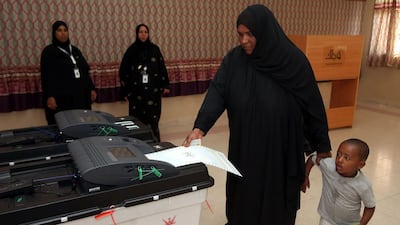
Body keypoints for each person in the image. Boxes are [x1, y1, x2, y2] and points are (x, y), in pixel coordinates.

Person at [182, 4, 331, 225]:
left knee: (275, 199)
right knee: (244, 194)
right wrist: (199, 127)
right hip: (245, 146)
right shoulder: (235, 60)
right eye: (240, 34)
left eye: (250, 34)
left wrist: (323, 146)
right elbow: (218, 91)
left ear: (265, 31)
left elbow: (313, 105)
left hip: (280, 148)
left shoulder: (293, 61)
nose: (243, 40)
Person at [302, 138, 375, 225]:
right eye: (338, 155)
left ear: (360, 164)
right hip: (327, 219)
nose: (339, 160)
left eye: (346, 158)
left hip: (350, 223)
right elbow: (312, 159)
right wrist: (305, 177)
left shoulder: (363, 185)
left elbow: (370, 207)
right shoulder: (329, 166)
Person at [119, 24, 170, 142]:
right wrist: (125, 91)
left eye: (145, 32)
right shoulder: (131, 50)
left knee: (153, 117)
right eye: (140, 32)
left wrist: (165, 85)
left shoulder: (154, 49)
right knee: (137, 118)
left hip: (153, 91)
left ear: (148, 34)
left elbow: (162, 67)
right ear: (137, 34)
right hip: (136, 92)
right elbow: (123, 71)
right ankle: (138, 140)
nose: (143, 34)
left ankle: (154, 141)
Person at [40, 20, 97, 125]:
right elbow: (46, 76)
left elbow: (84, 71)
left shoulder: (75, 50)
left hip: (80, 96)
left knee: (83, 123)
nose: (63, 33)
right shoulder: (49, 52)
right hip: (62, 97)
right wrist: (50, 96)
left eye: (65, 30)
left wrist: (91, 88)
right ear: (54, 33)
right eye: (59, 30)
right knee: (65, 124)